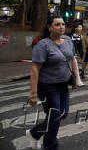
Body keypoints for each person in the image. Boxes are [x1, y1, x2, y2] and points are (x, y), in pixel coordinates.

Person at [26, 16, 79, 150]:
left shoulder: (67, 40)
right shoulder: (43, 45)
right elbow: (34, 69)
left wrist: (76, 78)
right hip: (48, 86)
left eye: (62, 24)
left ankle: (34, 133)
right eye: (57, 24)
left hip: (63, 85)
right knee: (55, 115)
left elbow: (72, 59)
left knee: (62, 114)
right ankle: (50, 146)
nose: (61, 27)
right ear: (50, 27)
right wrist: (33, 94)